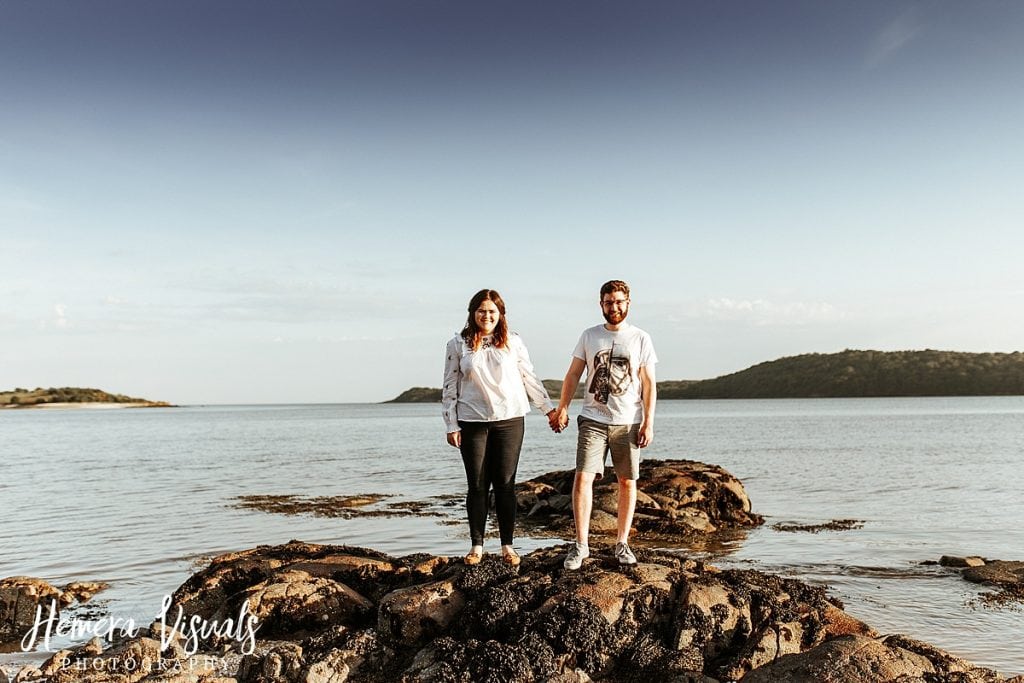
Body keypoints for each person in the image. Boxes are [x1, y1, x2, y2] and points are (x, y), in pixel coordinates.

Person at [442, 288, 556, 566]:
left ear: (500, 314)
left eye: (492, 311)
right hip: (472, 422)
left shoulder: (513, 342)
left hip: (509, 420)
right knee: (477, 486)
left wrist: (548, 409)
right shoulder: (458, 344)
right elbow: (449, 385)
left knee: (505, 485)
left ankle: (508, 546)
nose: (487, 315)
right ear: (473, 313)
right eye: (482, 310)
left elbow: (529, 377)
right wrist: (451, 424)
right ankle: (476, 547)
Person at [552, 280, 658, 569]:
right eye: (609, 302)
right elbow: (573, 374)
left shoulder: (640, 338)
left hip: (629, 421)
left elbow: (648, 384)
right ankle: (581, 545)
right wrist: (562, 407)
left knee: (627, 481)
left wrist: (649, 422)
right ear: (601, 304)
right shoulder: (589, 336)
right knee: (583, 477)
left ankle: (622, 544)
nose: (614, 307)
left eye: (619, 301)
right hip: (593, 419)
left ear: (628, 303)